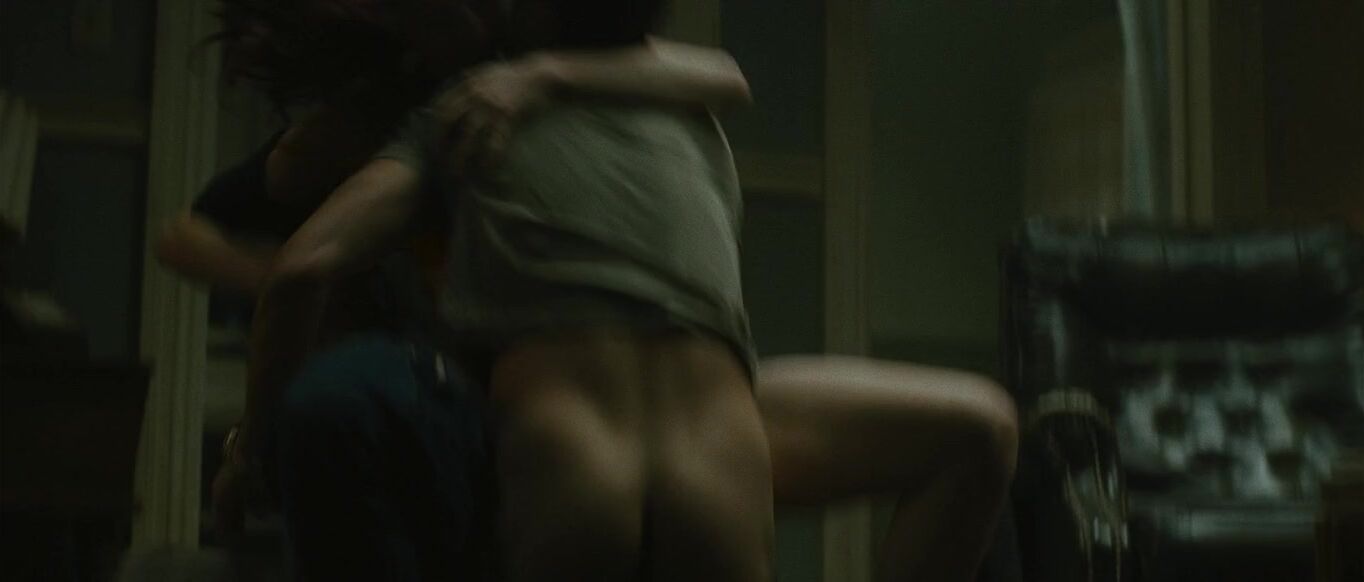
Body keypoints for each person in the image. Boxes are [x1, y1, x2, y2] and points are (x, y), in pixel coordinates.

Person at [176, 1, 1020, 580]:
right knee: (982, 426)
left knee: (353, 403)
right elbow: (722, 73)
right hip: (722, 466)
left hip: (571, 459)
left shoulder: (455, 117)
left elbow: (300, 270)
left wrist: (251, 456)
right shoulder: (683, 103)